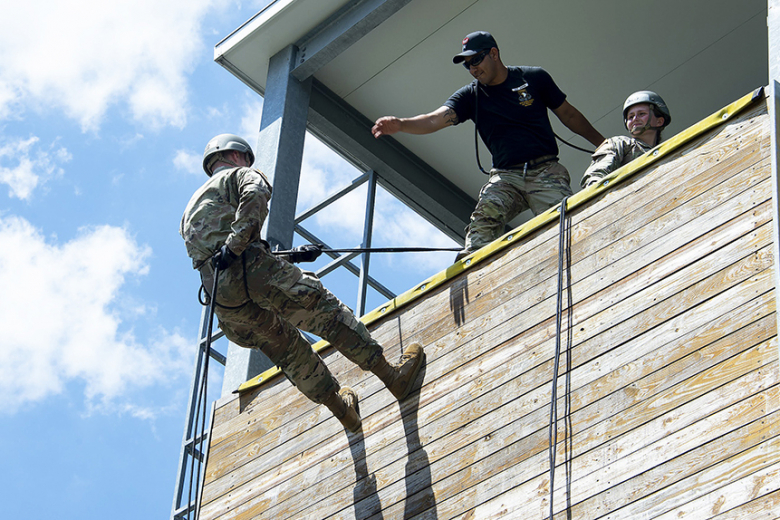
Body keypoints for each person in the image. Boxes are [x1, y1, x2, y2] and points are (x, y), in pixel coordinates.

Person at [180, 134, 425, 432]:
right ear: (234, 156)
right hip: (255, 270)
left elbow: (220, 258)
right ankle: (393, 377)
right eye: (246, 158)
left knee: (288, 352)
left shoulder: (190, 210)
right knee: (328, 316)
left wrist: (287, 256)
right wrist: (236, 244)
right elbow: (255, 196)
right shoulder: (239, 175)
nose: (247, 163)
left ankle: (343, 411)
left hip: (227, 302)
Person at [372, 31, 605, 259]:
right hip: (506, 177)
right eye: (467, 65)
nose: (473, 68)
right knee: (483, 221)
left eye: (476, 60)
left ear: (493, 53)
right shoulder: (470, 96)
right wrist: (401, 124)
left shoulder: (532, 78)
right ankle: (474, 272)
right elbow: (435, 119)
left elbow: (569, 115)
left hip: (545, 170)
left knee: (564, 224)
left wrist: (603, 144)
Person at [581, 91, 671, 189]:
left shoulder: (666, 153)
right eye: (630, 117)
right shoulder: (620, 144)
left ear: (659, 121)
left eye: (641, 114)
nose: (635, 119)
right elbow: (595, 178)